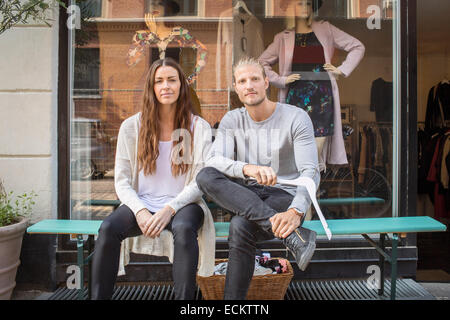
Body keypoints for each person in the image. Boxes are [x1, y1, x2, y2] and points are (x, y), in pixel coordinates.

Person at [196, 57, 320, 300]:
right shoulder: (232, 119)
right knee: (205, 175)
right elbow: (213, 161)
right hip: (247, 195)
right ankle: (293, 238)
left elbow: (311, 172)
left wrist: (296, 212)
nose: (249, 85)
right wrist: (247, 169)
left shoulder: (296, 117)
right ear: (236, 87)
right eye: (242, 81)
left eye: (254, 79)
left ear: (266, 82)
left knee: (240, 225)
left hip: (284, 195)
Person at [91, 58, 215, 300]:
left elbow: (200, 181)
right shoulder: (131, 127)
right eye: (159, 81)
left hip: (184, 205)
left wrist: (170, 209)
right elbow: (122, 181)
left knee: (184, 227)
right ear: (151, 87)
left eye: (172, 80)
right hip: (143, 203)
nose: (165, 86)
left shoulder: (198, 127)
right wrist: (140, 211)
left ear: (181, 86)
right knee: (108, 228)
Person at [259, 0, 365, 171]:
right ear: (291, 8)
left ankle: (311, 191)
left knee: (315, 152)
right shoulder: (282, 37)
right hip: (295, 96)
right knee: (296, 148)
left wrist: (342, 70)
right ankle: (301, 191)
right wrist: (281, 80)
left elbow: (357, 46)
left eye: (308, 3)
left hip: (322, 96)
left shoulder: (326, 29)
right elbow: (262, 62)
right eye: (300, 3)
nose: (305, 7)